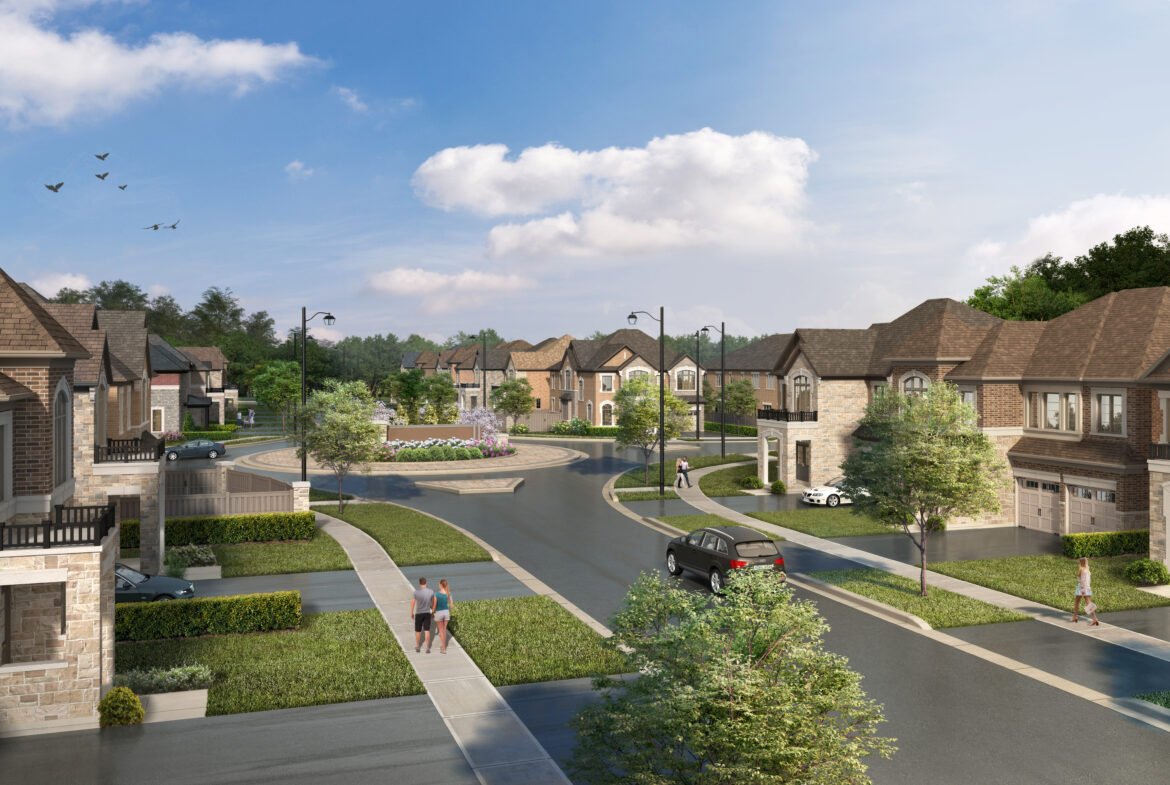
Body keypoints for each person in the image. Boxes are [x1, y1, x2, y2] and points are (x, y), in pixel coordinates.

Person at [410, 576, 436, 652]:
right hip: (427, 613)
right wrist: (433, 611)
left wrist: (411, 612)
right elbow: (434, 601)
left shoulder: (416, 592)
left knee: (418, 631)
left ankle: (418, 646)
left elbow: (413, 602)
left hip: (419, 613)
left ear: (419, 583)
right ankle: (427, 647)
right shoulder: (431, 591)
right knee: (427, 630)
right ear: (426, 583)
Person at [1072, 557, 1100, 625]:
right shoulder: (1088, 570)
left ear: (1081, 563)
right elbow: (1088, 581)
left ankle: (1093, 618)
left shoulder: (1082, 570)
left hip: (1081, 588)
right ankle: (1075, 616)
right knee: (1088, 602)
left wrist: (1083, 590)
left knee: (1077, 602)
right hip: (1087, 588)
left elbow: (1082, 581)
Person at [434, 578, 453, 654]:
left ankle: (443, 647)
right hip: (446, 613)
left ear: (441, 585)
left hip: (439, 613)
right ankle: (443, 647)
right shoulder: (448, 593)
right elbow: (451, 605)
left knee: (441, 631)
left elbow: (434, 606)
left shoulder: (436, 594)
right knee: (444, 630)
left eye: (439, 584)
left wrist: (432, 613)